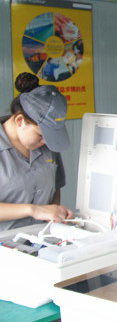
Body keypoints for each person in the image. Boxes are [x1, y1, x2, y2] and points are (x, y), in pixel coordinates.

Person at [0, 72, 73, 231]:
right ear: (20, 121)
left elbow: (56, 186)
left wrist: (55, 213)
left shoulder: (47, 144)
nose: (46, 142)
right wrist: (34, 210)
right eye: (41, 135)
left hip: (42, 238)